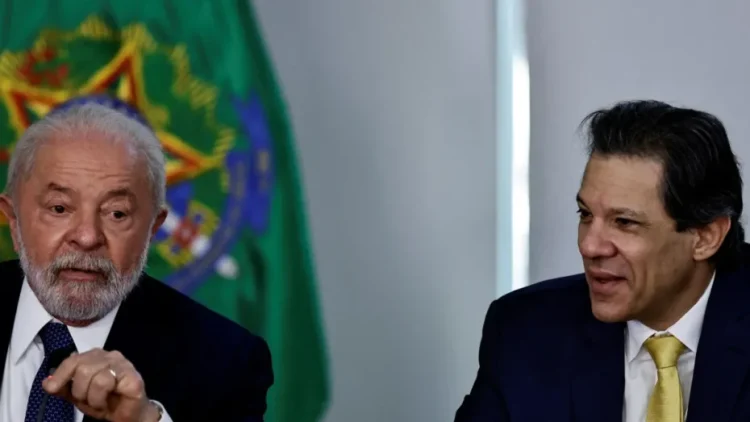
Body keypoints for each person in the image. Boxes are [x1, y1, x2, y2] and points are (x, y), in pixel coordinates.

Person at [455, 100, 750, 422]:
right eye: (585, 214)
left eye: (624, 222)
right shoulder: (526, 330)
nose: (589, 245)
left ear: (705, 237)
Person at [0, 98, 273, 422]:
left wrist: (145, 420)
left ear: (152, 229)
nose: (87, 238)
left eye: (117, 213)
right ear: (14, 221)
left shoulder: (225, 361)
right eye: (59, 208)